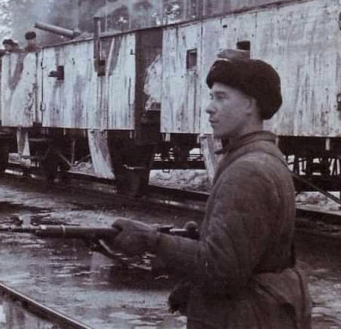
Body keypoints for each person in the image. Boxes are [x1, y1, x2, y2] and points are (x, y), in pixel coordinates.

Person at [111, 57, 311, 329]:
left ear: (250, 105)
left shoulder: (247, 171)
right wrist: (204, 238)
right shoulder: (265, 157)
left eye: (221, 98)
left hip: (243, 319)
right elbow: (252, 251)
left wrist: (152, 241)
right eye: (211, 97)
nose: (209, 108)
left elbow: (221, 270)